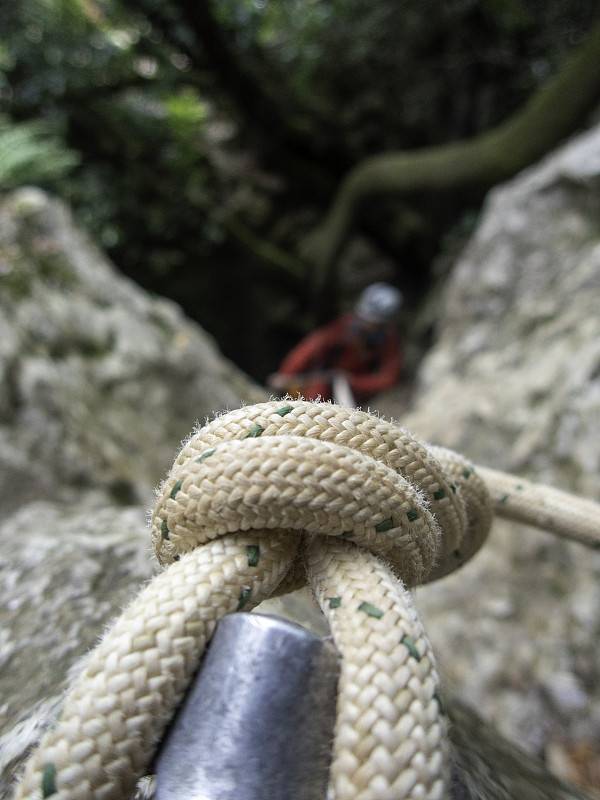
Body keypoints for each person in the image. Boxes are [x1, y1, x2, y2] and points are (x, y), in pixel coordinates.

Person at [269, 282, 403, 405]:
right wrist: (287, 374)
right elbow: (310, 347)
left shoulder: (388, 340)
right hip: (320, 381)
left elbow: (388, 378)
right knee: (317, 389)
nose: (366, 323)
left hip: (351, 390)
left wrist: (352, 381)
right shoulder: (343, 327)